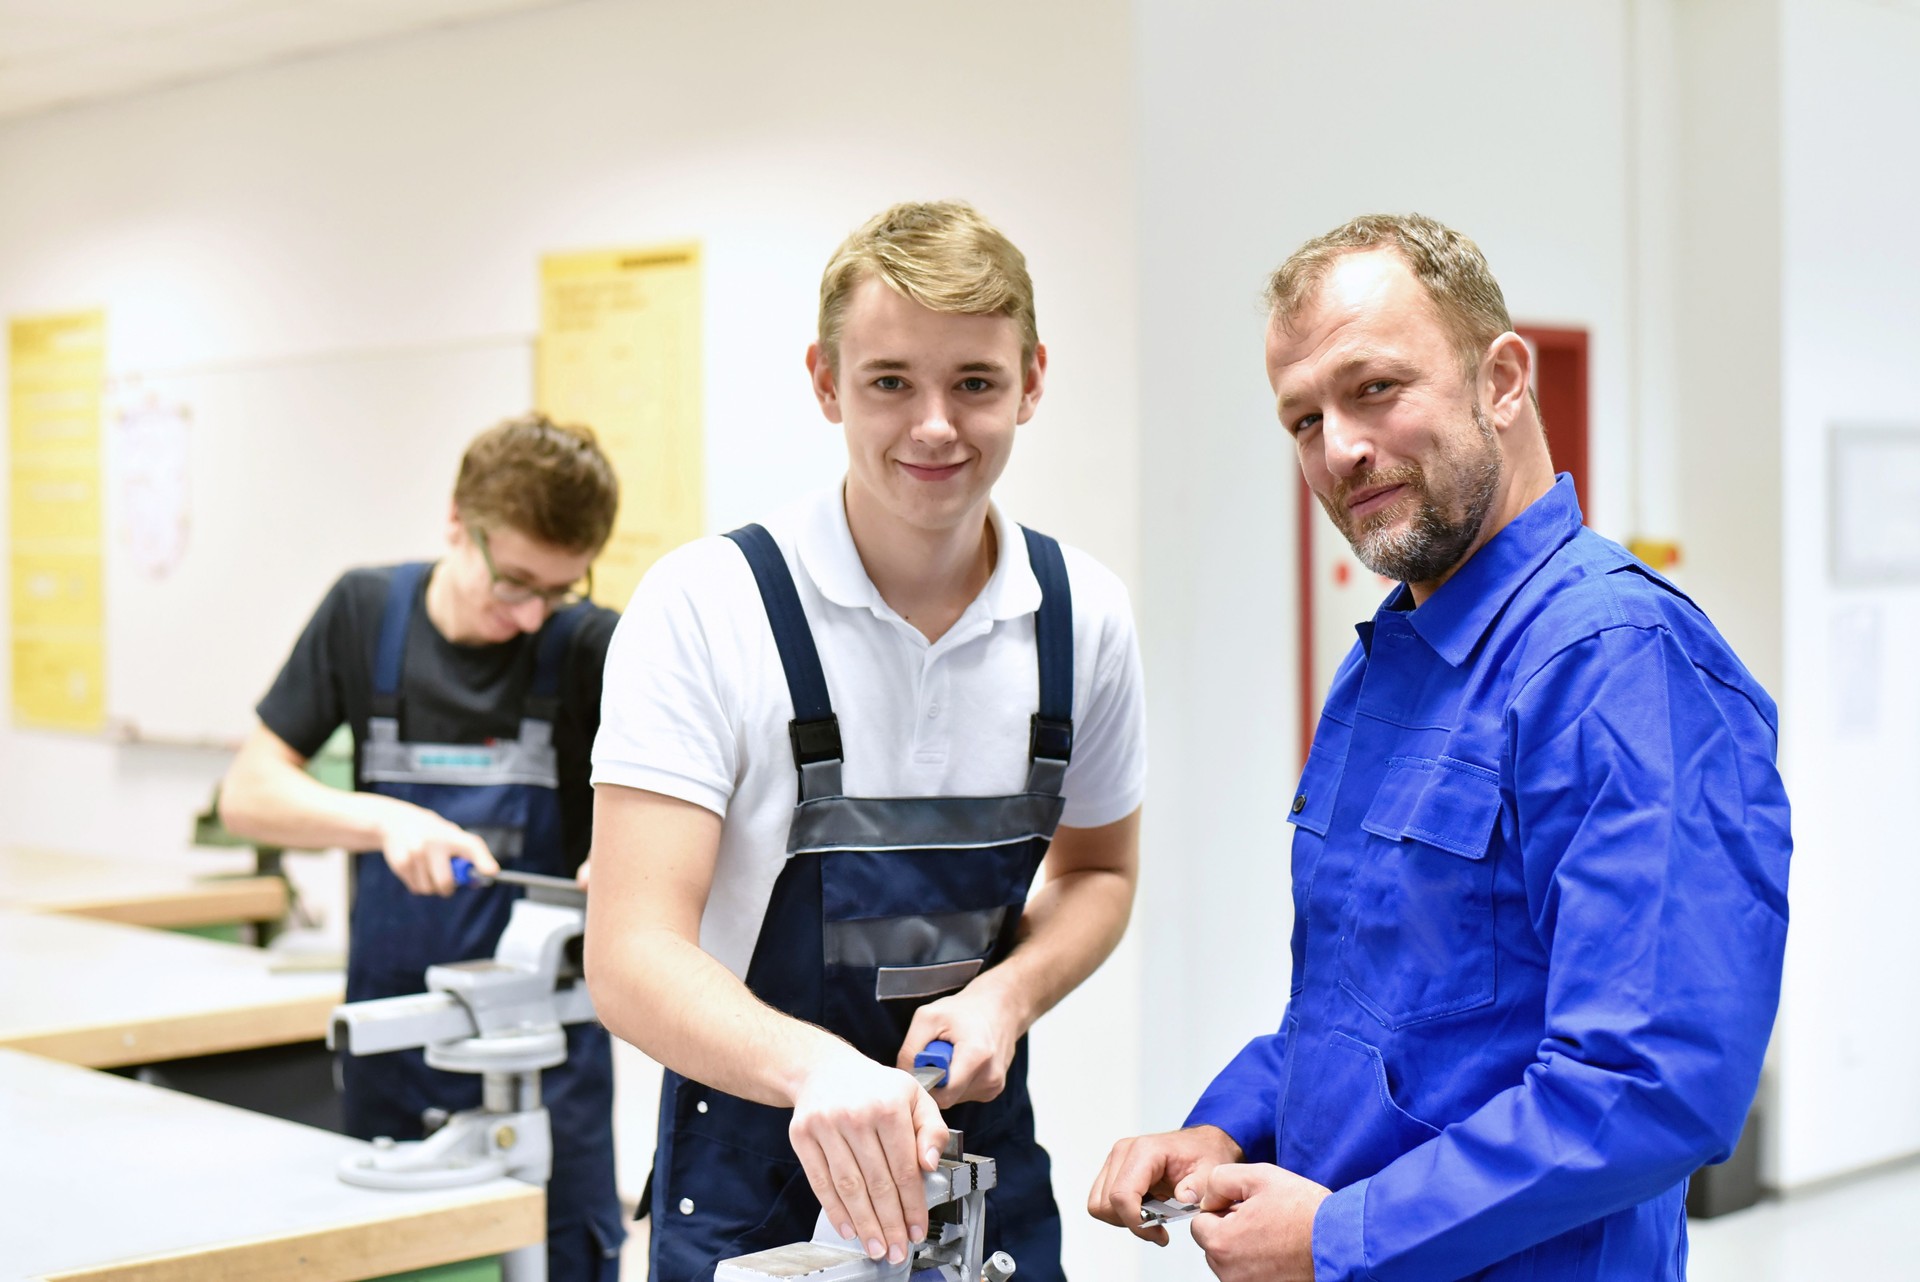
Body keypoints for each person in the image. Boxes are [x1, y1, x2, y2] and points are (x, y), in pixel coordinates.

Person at [1089, 214, 1791, 1281]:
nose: (1339, 449)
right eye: (1303, 418)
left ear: (1503, 379)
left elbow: (1648, 1083)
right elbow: (1368, 1017)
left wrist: (1339, 1235)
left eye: (1374, 389)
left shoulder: (1618, 663)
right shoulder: (1386, 668)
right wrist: (1227, 1127)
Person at [584, 200, 1148, 1282]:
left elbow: (1100, 872)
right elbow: (630, 954)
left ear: (1033, 379)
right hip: (754, 1191)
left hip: (980, 1179)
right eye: (890, 380)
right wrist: (820, 1073)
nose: (935, 426)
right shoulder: (708, 607)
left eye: (974, 382)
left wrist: (1005, 995)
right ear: (825, 379)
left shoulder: (1085, 620)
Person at [218, 412, 627, 1279]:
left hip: (546, 1066)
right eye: (513, 582)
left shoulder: (591, 646)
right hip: (393, 1045)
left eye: (557, 590)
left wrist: (628, 867)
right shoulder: (366, 614)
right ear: (456, 520)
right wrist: (383, 819)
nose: (529, 618)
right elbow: (249, 794)